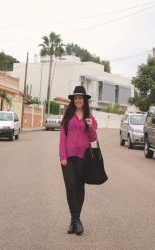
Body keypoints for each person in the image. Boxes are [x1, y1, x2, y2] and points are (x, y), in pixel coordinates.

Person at [59, 85, 97, 235]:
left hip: (83, 157)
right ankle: (76, 220)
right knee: (70, 188)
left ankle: (74, 220)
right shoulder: (67, 117)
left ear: (84, 100)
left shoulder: (90, 117)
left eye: (81, 98)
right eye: (76, 98)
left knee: (80, 188)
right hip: (68, 157)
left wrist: (89, 126)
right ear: (73, 100)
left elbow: (93, 138)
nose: (78, 100)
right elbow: (62, 137)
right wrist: (62, 156)